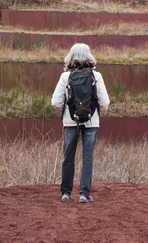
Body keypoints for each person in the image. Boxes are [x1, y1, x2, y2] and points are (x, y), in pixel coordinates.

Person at [51, 43, 110, 203]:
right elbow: (104, 102)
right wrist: (94, 112)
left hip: (71, 122)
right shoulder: (96, 76)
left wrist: (68, 114)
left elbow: (55, 102)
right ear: (89, 56)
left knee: (68, 156)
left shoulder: (66, 76)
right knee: (88, 156)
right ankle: (84, 194)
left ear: (70, 56)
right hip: (92, 122)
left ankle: (66, 193)